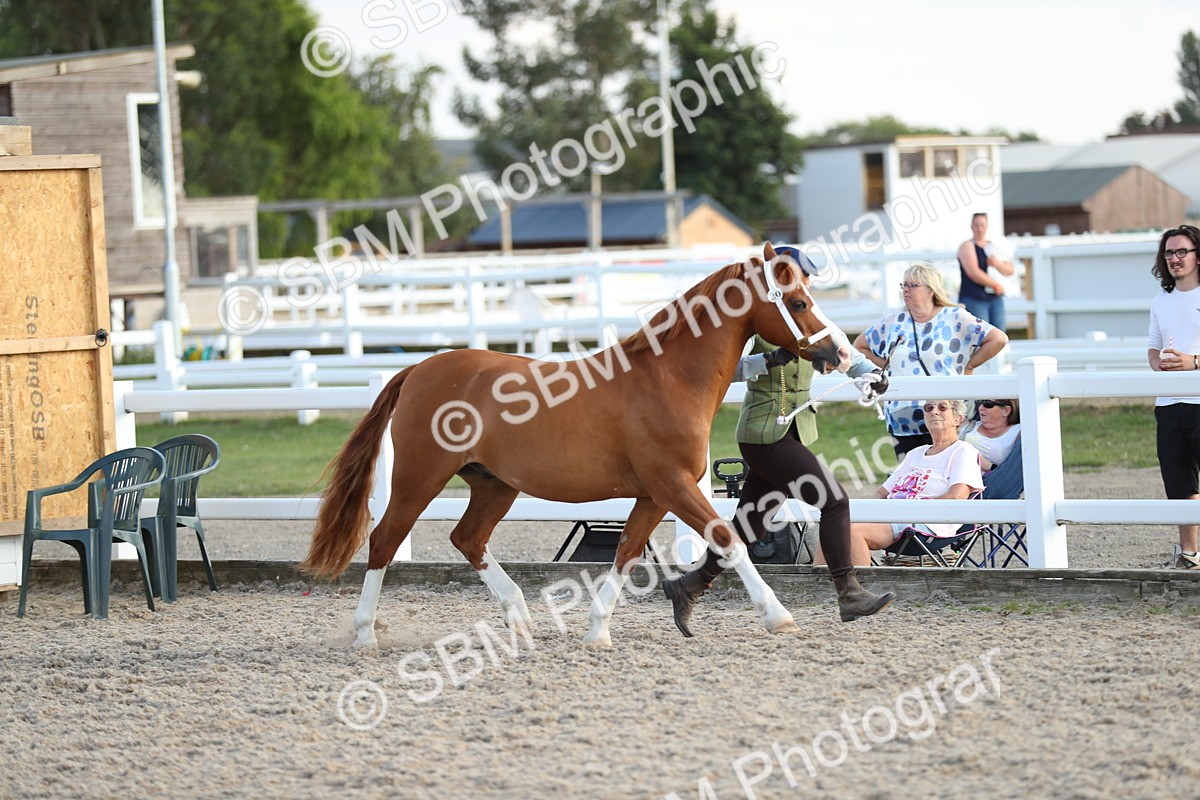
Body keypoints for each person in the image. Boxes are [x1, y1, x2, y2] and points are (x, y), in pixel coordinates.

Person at [661, 245, 895, 637]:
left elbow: (841, 349)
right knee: (835, 500)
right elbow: (723, 369)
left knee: (749, 525)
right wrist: (765, 362)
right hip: (763, 434)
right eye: (798, 275)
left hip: (790, 430)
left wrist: (870, 372)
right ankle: (848, 592)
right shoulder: (759, 317)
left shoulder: (804, 311)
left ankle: (688, 585)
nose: (804, 283)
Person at [854, 262, 1009, 459]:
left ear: (930, 290)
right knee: (910, 476)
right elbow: (859, 346)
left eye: (912, 285)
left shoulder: (954, 317)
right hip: (904, 416)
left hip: (945, 412)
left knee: (947, 471)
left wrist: (969, 366)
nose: (906, 290)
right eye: (904, 285)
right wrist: (887, 367)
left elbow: (998, 339)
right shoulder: (893, 321)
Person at [815, 399, 984, 566]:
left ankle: (861, 591)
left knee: (854, 531)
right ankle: (816, 588)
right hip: (893, 517)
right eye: (928, 407)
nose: (934, 411)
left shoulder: (962, 450)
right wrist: (866, 513)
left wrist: (911, 509)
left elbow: (957, 497)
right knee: (833, 524)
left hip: (928, 525)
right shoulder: (916, 453)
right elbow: (882, 493)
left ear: (958, 418)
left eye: (942, 407)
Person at [1147, 223, 1200, 570]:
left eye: (1182, 251)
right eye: (1169, 253)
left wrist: (1193, 362)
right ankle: (1190, 555)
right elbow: (1152, 347)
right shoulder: (1160, 299)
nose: (1175, 258)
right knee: (1179, 483)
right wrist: (1160, 364)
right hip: (1168, 405)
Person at [957, 212, 1016, 329]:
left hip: (995, 298)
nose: (979, 228)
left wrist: (996, 263)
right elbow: (973, 272)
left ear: (987, 226)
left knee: (1000, 335)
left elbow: (1010, 270)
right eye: (976, 225)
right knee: (980, 336)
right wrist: (995, 285)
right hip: (974, 297)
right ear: (971, 226)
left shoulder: (994, 246)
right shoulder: (967, 246)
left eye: (982, 225)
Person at [960, 398, 1022, 500]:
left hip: (991, 486)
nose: (981, 408)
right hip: (957, 480)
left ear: (1006, 410)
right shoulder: (967, 426)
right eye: (980, 403)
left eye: (988, 404)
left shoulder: (1018, 432)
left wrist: (989, 466)